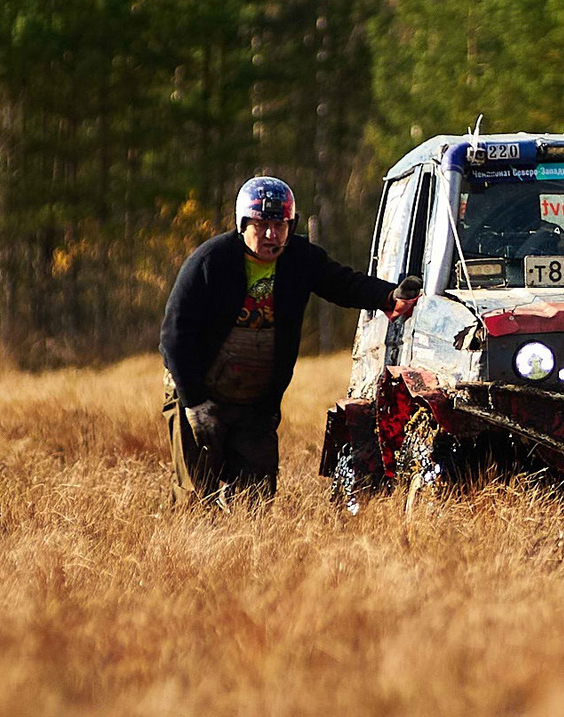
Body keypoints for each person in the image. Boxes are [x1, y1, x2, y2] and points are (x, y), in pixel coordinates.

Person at [160, 176, 418, 504]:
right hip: (199, 394)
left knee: (255, 499)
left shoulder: (300, 259)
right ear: (242, 224)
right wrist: (194, 402)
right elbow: (174, 336)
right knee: (195, 496)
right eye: (262, 224)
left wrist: (388, 296)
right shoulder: (210, 261)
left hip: (255, 402)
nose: (272, 234)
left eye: (280, 225)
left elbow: (344, 284)